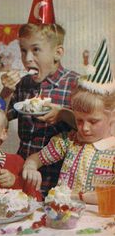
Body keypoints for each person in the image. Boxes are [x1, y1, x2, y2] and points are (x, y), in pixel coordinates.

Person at [0, 0, 79, 198]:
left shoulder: (75, 84)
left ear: (57, 53)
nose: (27, 59)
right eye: (23, 51)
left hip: (61, 176)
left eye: (35, 50)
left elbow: (92, 127)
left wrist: (62, 114)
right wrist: (6, 92)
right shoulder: (24, 84)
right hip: (24, 173)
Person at [22, 39, 115, 204]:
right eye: (79, 120)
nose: (84, 128)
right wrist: (31, 167)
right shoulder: (69, 141)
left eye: (93, 121)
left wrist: (77, 197)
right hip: (63, 218)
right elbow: (35, 159)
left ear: (112, 116)